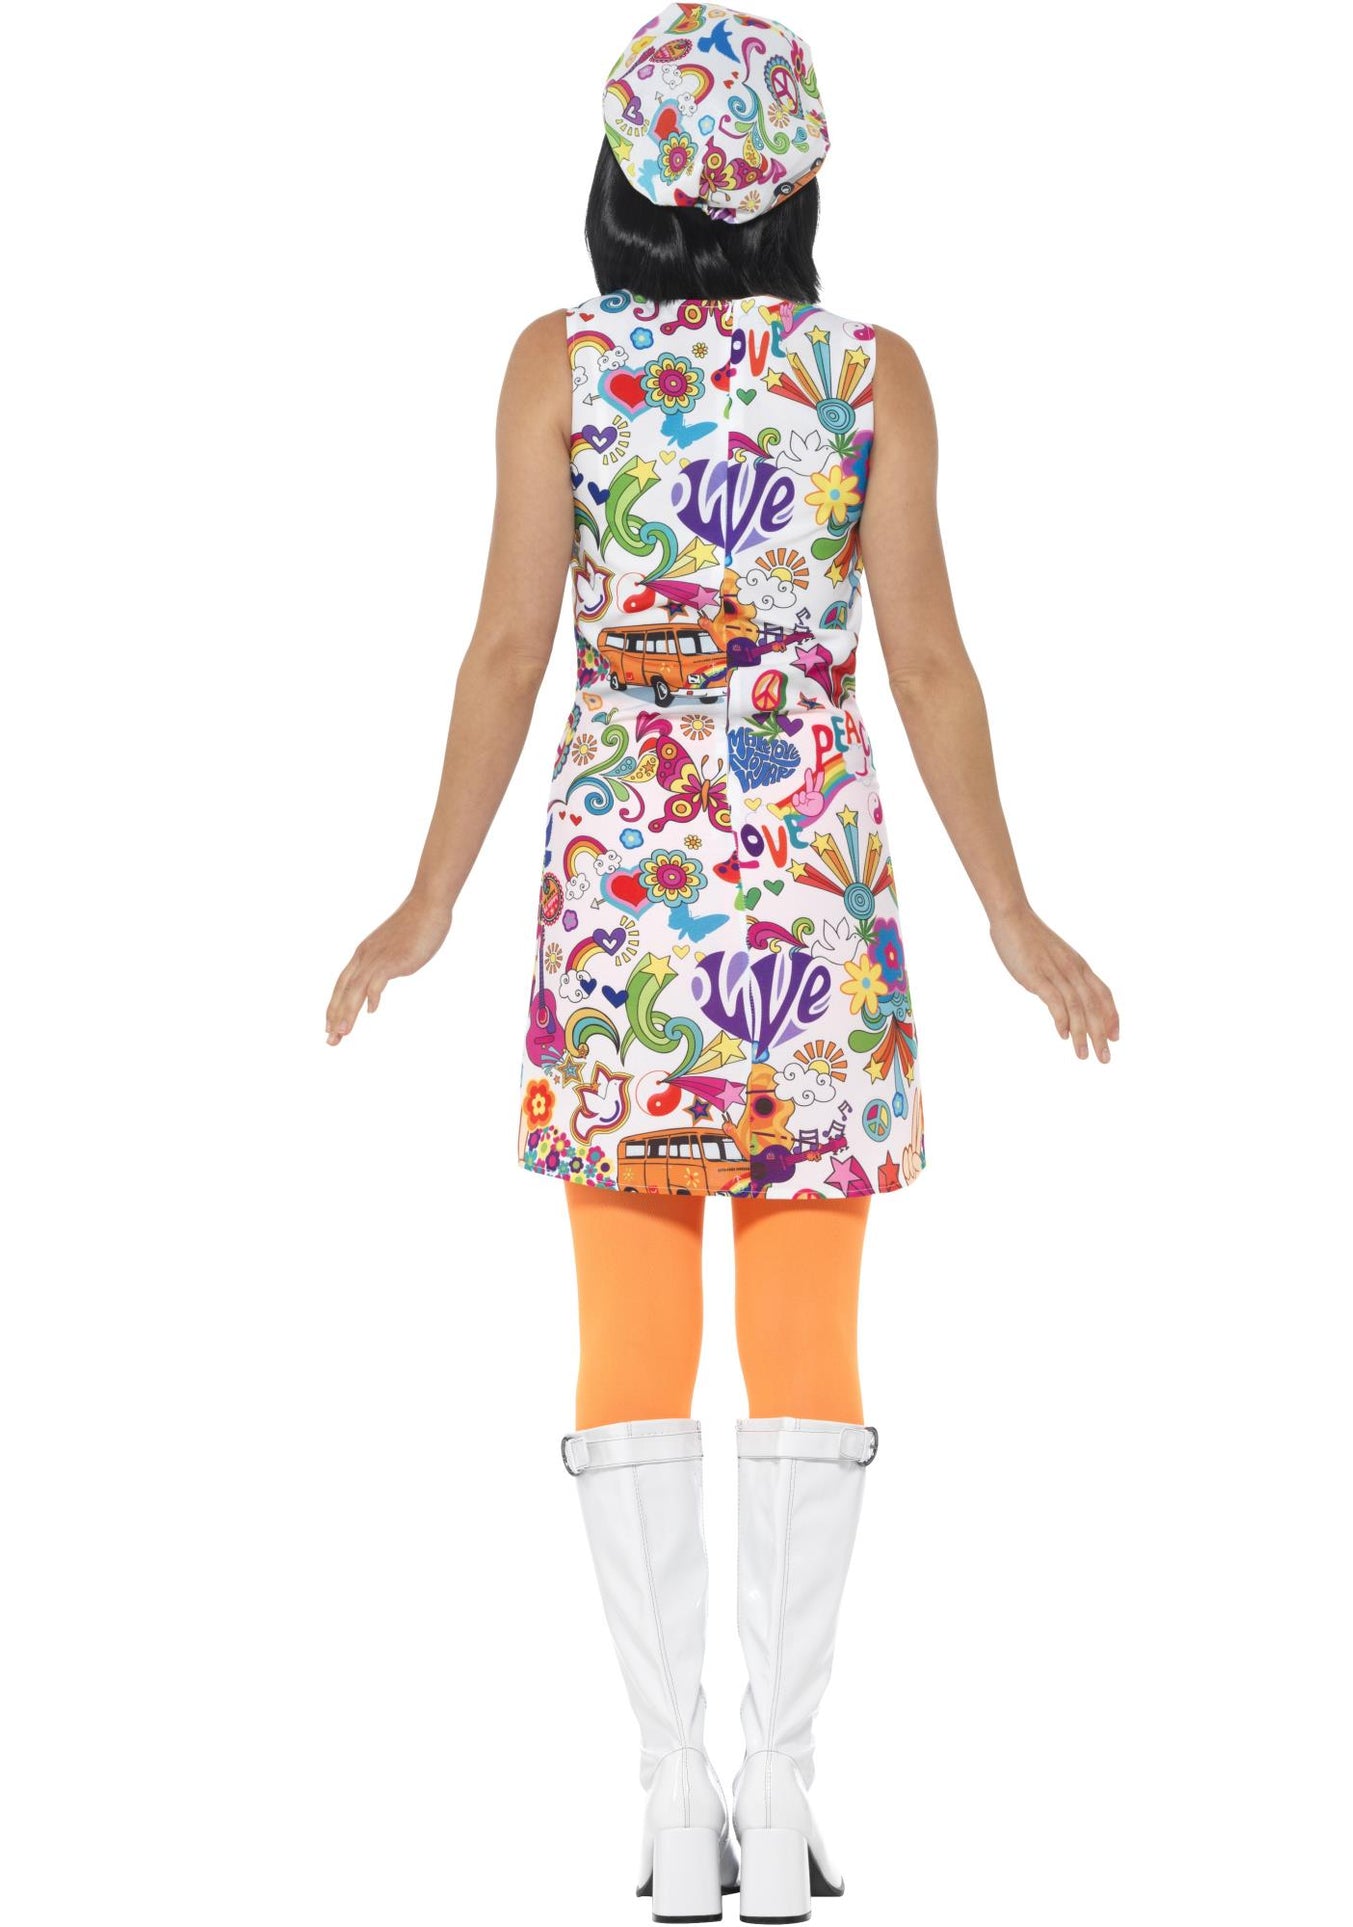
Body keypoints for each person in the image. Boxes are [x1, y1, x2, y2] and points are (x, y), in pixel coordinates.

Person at [325, 9, 1119, 1920]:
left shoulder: (561, 365)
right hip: (809, 900)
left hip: (623, 901)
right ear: (795, 182)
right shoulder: (868, 374)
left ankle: (670, 1796)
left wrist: (427, 898)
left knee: (625, 1331)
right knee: (804, 1334)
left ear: (624, 175)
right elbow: (925, 663)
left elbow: (508, 649)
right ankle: (781, 1792)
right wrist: (1010, 911)